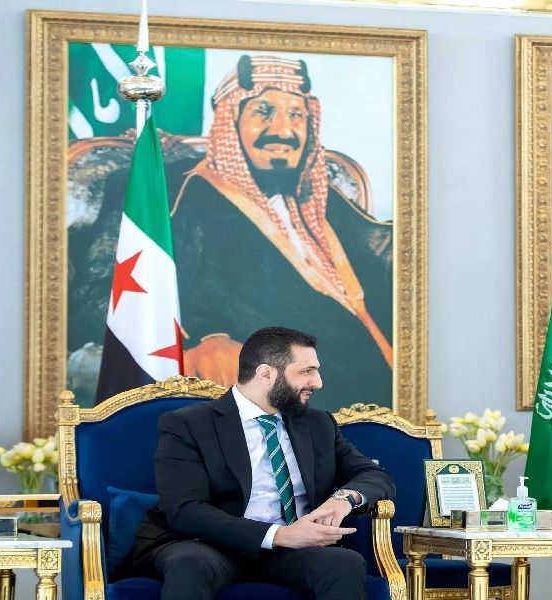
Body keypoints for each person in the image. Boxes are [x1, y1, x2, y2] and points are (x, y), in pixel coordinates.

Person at [67, 54, 392, 408]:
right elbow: (97, 296)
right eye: (264, 112)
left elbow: (384, 262)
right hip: (280, 392)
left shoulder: (323, 199)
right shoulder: (170, 192)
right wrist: (203, 337)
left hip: (371, 380)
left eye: (296, 115)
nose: (283, 131)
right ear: (231, 122)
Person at [130, 326, 395, 599]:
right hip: (207, 543)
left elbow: (375, 475)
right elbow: (185, 509)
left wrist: (344, 499)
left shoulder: (317, 423)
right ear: (266, 373)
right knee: (191, 564)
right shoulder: (188, 424)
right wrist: (279, 535)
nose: (317, 382)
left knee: (345, 563)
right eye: (307, 371)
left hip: (291, 551)